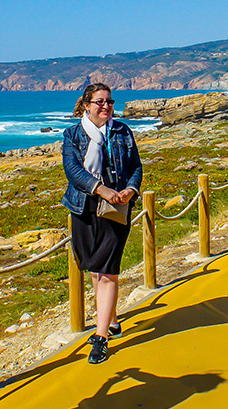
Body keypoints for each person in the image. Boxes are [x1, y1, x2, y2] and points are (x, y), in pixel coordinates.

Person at [62, 83, 142, 364]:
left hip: (116, 209)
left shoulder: (122, 132)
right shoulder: (72, 134)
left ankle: (101, 337)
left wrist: (130, 191)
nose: (106, 106)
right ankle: (112, 318)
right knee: (95, 270)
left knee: (107, 271)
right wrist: (100, 188)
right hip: (84, 208)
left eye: (109, 101)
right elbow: (72, 170)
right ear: (86, 105)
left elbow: (135, 166)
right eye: (99, 102)